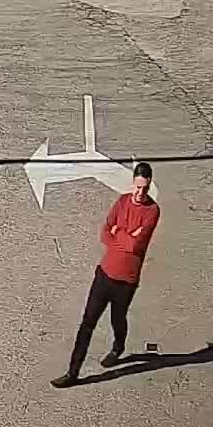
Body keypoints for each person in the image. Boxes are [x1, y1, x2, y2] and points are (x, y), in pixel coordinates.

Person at [52, 163, 160, 387]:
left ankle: (118, 347)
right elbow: (105, 233)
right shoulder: (121, 202)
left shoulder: (152, 211)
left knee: (117, 318)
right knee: (87, 323)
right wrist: (125, 235)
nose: (140, 193)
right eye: (138, 187)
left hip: (126, 280)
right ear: (133, 182)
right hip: (104, 273)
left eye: (145, 189)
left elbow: (135, 246)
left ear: (150, 185)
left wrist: (118, 234)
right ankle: (73, 372)